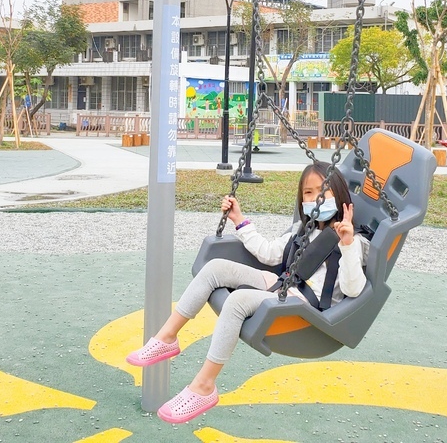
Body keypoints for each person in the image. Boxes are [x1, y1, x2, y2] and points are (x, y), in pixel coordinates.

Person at [126, 161, 369, 424]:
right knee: (215, 268)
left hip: (306, 309)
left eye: (322, 191)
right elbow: (268, 252)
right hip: (284, 286)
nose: (315, 198)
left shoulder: (354, 241)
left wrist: (347, 244)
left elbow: (353, 289)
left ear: (341, 196)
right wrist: (239, 220)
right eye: (308, 193)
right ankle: (167, 337)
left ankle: (205, 386)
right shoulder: (304, 230)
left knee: (238, 300)